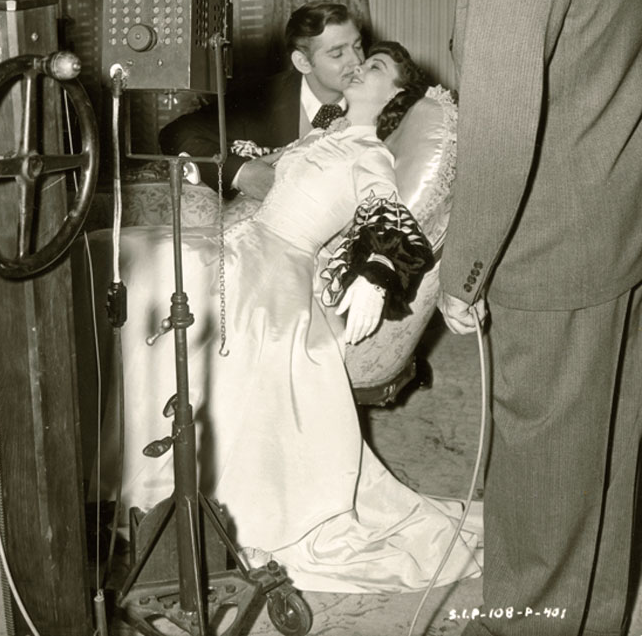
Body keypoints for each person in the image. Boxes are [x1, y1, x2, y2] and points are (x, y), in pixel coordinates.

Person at [89, 41, 483, 593]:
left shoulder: (368, 152)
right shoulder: (324, 136)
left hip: (275, 268)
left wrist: (375, 275)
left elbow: (389, 219)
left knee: (156, 274)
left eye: (373, 66)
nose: (357, 66)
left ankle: (157, 486)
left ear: (396, 93)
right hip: (239, 245)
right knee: (117, 257)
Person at [439, 0, 642, 636]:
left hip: (550, 257)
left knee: (535, 502)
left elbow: (498, 130)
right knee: (607, 468)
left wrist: (463, 271)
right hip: (626, 234)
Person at [158, 1, 364, 200]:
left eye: (358, 46)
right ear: (302, 62)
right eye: (337, 54)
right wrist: (241, 173)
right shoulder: (263, 97)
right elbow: (177, 133)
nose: (357, 61)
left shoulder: (380, 95)